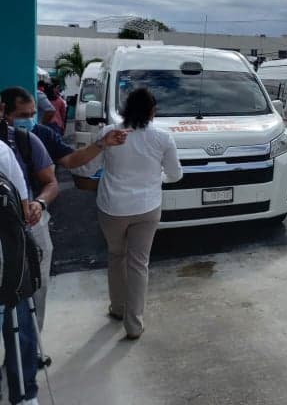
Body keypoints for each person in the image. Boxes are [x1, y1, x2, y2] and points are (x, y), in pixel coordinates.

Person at [1, 86, 127, 328]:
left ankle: (30, 344)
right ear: (4, 112)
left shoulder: (36, 136)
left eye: (33, 114)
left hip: (31, 222)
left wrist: (101, 144)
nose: (30, 120)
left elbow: (68, 163)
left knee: (35, 288)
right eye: (23, 115)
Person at [78, 88, 182, 339]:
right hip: (147, 208)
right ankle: (134, 324)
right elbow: (176, 174)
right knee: (138, 264)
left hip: (112, 208)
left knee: (116, 256)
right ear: (152, 112)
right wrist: (158, 178)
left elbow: (87, 168)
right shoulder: (163, 138)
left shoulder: (108, 133)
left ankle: (118, 308)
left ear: (126, 109)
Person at [0, 140, 38, 405]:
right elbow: (23, 209)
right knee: (19, 328)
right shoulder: (2, 151)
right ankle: (25, 394)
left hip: (8, 264)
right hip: (9, 264)